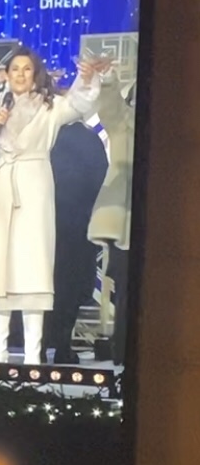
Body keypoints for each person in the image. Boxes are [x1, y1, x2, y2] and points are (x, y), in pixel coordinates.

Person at [0, 47, 102, 365]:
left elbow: (79, 103)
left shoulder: (49, 106)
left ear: (35, 74)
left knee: (32, 268)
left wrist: (86, 78)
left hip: (33, 188)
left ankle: (32, 354)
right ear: (7, 74)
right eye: (15, 69)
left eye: (26, 69)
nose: (20, 75)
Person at [44, 119, 108, 363]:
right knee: (71, 289)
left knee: (44, 285)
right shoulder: (88, 138)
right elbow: (101, 179)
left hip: (45, 222)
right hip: (78, 224)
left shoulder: (44, 134)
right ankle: (62, 345)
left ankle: (39, 344)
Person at [87, 68, 135, 365]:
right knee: (127, 289)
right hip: (126, 222)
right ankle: (124, 352)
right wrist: (106, 77)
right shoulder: (123, 123)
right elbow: (110, 107)